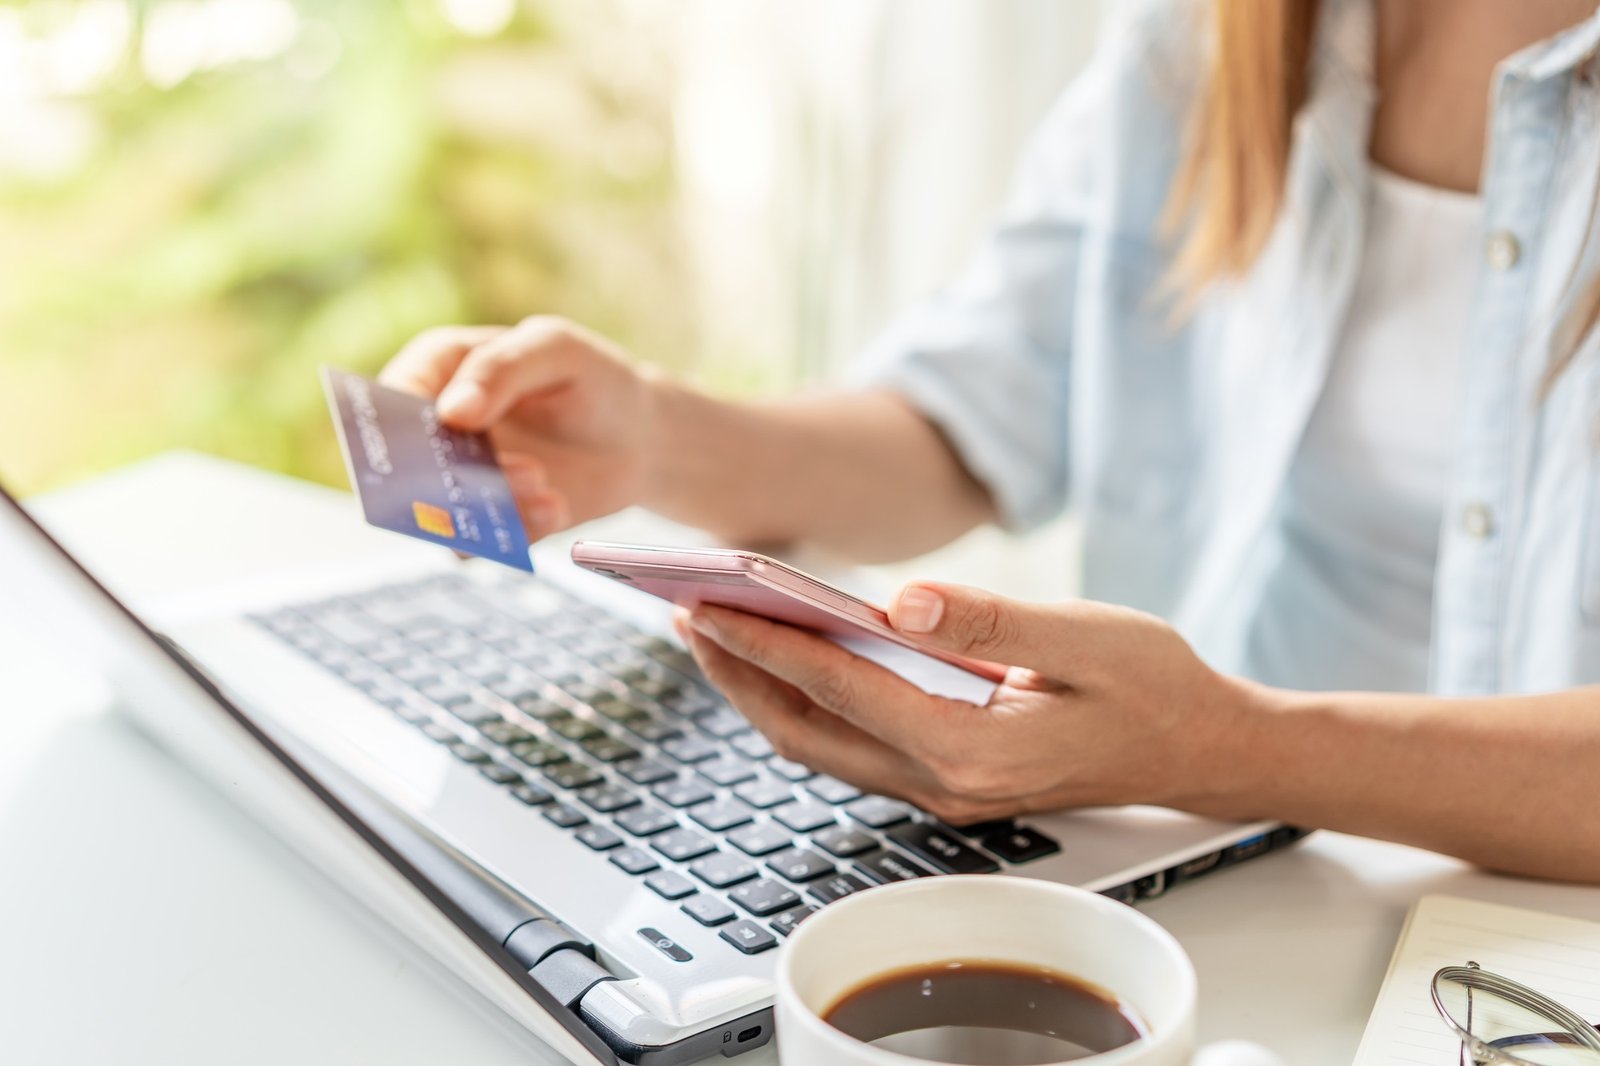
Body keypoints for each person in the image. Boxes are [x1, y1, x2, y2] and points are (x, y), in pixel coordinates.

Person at [382, 0, 1600, 884]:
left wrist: (1225, 750)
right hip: (1211, 884)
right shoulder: (1219, 37)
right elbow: (968, 419)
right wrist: (654, 438)